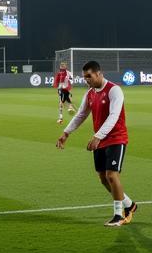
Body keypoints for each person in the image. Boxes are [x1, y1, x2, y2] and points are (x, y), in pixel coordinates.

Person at [56, 60, 138, 227]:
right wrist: (66, 133)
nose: (87, 79)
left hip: (116, 138)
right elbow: (80, 115)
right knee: (103, 178)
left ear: (99, 73)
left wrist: (98, 136)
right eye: (85, 77)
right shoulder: (90, 93)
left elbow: (114, 116)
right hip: (100, 139)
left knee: (112, 175)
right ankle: (130, 205)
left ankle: (118, 215)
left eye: (89, 76)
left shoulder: (114, 90)